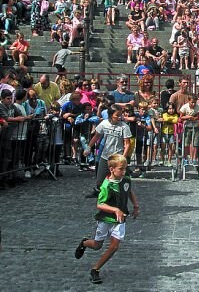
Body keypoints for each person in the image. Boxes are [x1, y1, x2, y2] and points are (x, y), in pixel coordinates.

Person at [74, 154, 139, 284]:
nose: (124, 171)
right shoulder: (106, 186)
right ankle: (85, 243)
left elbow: (129, 191)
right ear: (112, 169)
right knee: (97, 245)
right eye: (121, 169)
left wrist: (136, 206)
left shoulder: (126, 180)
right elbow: (100, 204)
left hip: (120, 219)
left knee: (114, 246)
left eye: (125, 168)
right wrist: (115, 209)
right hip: (106, 219)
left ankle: (95, 269)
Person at [83, 104, 132, 198]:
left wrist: (123, 157)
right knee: (100, 179)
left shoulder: (124, 127)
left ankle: (117, 194)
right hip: (105, 156)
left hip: (117, 157)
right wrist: (88, 148)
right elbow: (96, 136)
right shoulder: (104, 124)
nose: (119, 117)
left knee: (118, 178)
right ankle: (98, 191)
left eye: (120, 115)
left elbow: (127, 144)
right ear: (110, 115)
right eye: (116, 115)